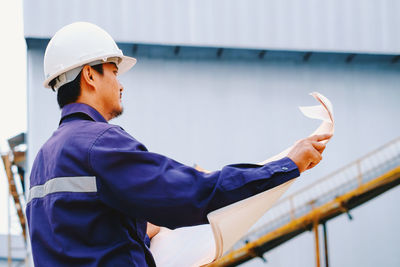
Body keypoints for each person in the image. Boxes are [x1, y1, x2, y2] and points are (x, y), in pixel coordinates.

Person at [26, 22, 331, 267]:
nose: (121, 84)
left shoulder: (43, 160)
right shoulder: (99, 144)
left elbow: (85, 238)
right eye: (115, 72)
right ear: (90, 75)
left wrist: (139, 228)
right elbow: (193, 194)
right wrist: (286, 165)